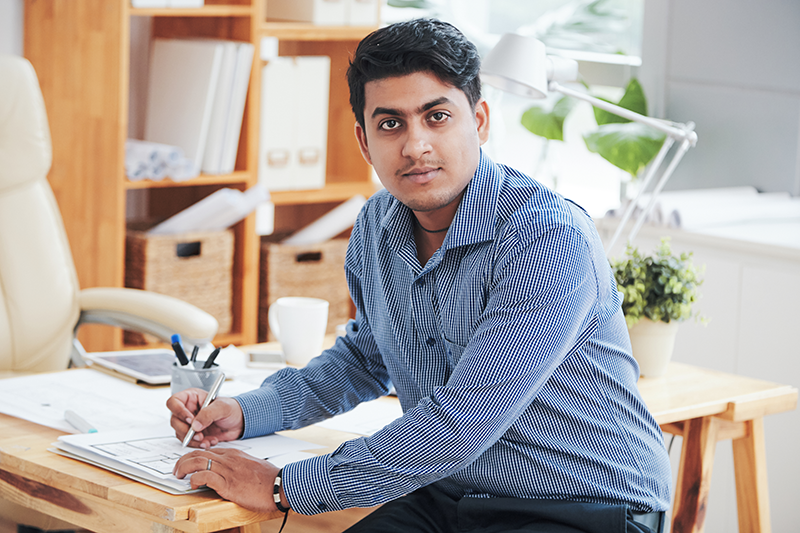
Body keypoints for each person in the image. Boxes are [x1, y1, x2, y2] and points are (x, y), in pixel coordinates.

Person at [168, 18, 672, 533]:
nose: (415, 146)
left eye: (436, 117)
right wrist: (247, 413)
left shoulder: (546, 235)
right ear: (365, 142)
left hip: (583, 504)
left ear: (478, 121)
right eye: (391, 124)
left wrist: (284, 487)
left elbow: (465, 423)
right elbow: (365, 359)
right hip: (449, 494)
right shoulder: (376, 225)